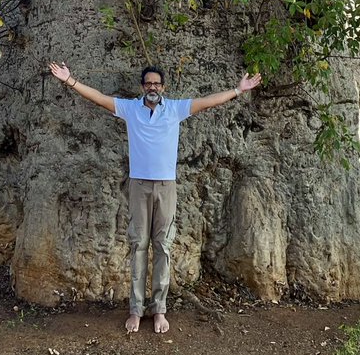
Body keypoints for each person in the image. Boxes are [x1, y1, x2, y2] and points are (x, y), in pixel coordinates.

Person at [49, 60, 261, 334]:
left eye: (156, 84)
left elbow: (207, 102)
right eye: (148, 83)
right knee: (139, 245)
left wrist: (238, 90)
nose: (152, 87)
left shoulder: (174, 109)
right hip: (139, 186)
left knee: (163, 246)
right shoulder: (130, 109)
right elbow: (100, 99)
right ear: (142, 87)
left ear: (163, 87)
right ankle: (136, 309)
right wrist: (70, 80)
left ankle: (159, 309)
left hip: (166, 186)